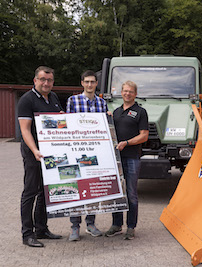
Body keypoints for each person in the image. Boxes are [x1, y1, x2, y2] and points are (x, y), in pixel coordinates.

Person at [18, 66, 63, 247]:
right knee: (30, 192)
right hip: (33, 153)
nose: (46, 83)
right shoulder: (26, 100)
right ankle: (27, 234)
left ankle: (41, 229)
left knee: (45, 192)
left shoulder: (53, 97)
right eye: (43, 79)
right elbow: (25, 130)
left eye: (49, 80)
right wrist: (35, 150)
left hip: (51, 152)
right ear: (35, 80)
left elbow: (58, 124)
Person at [66, 70, 108, 241]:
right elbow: (67, 127)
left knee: (93, 190)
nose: (90, 85)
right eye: (87, 82)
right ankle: (75, 227)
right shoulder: (72, 101)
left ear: (96, 83)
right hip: (76, 151)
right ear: (82, 83)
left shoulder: (102, 103)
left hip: (95, 153)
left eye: (92, 82)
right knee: (76, 189)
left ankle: (90, 224)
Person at [105, 81, 149, 240]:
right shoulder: (116, 112)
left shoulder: (140, 112)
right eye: (125, 91)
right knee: (116, 193)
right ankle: (116, 225)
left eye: (130, 91)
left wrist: (128, 143)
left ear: (135, 94)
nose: (127, 94)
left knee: (131, 194)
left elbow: (144, 135)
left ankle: (131, 227)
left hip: (131, 158)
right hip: (115, 160)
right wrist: (108, 117)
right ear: (121, 93)